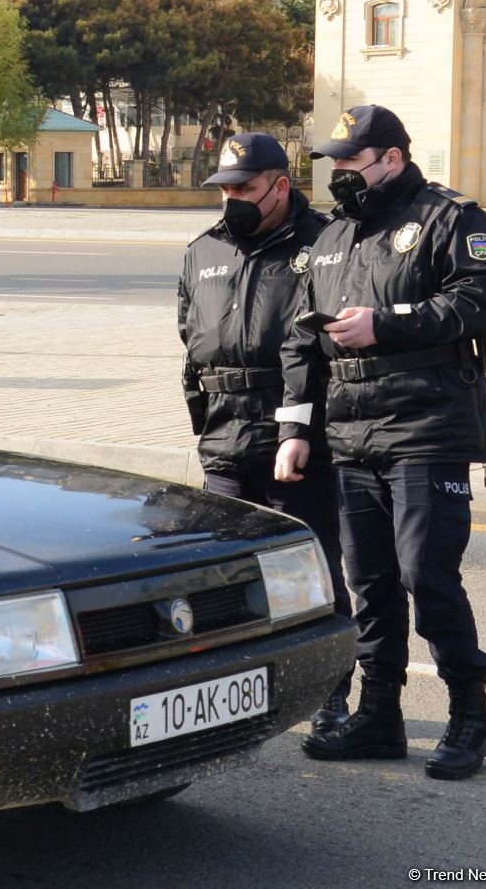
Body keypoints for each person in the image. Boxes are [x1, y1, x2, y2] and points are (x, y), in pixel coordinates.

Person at [277, 104, 486, 781]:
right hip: (350, 430)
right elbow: (301, 338)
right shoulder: (331, 238)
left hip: (428, 426)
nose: (340, 178)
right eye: (334, 167)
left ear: (392, 159)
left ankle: (472, 714)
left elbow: (481, 304)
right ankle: (379, 714)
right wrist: (295, 429)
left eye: (351, 165)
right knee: (371, 582)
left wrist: (387, 323)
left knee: (425, 574)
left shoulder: (450, 219)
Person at [178, 131, 353, 736]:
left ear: (281, 185)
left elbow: (323, 346)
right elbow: (190, 340)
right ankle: (231, 696)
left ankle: (330, 694)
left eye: (244, 188)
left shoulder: (325, 244)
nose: (231, 199)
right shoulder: (203, 251)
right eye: (223, 188)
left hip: (296, 436)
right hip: (225, 437)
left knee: (307, 571)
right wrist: (205, 421)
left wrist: (302, 425)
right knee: (221, 576)